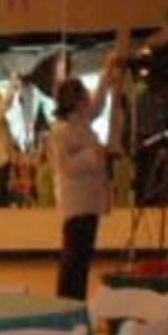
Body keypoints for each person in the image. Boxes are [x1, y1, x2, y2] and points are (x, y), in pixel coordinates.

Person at [46, 57, 116, 303]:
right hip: (75, 201)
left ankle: (77, 302)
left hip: (90, 199)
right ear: (75, 102)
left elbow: (99, 102)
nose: (89, 99)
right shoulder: (60, 132)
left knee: (82, 257)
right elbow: (64, 167)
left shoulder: (82, 122)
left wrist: (108, 71)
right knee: (74, 257)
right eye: (84, 96)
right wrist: (93, 155)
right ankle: (66, 302)